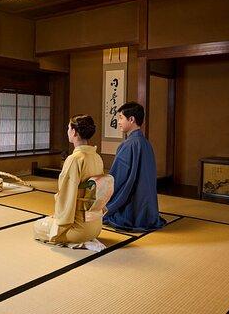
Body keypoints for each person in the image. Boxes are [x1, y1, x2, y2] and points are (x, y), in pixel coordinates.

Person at [33, 115, 107, 246]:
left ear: (74, 132)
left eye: (68, 128)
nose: (67, 131)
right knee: (51, 220)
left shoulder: (75, 159)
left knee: (38, 226)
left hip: (79, 230)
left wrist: (59, 223)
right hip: (96, 227)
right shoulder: (96, 157)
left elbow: (66, 196)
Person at [103, 102, 166, 232]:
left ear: (131, 119)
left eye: (121, 117)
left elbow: (118, 177)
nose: (118, 121)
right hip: (146, 205)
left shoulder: (129, 144)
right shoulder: (145, 143)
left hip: (132, 203)